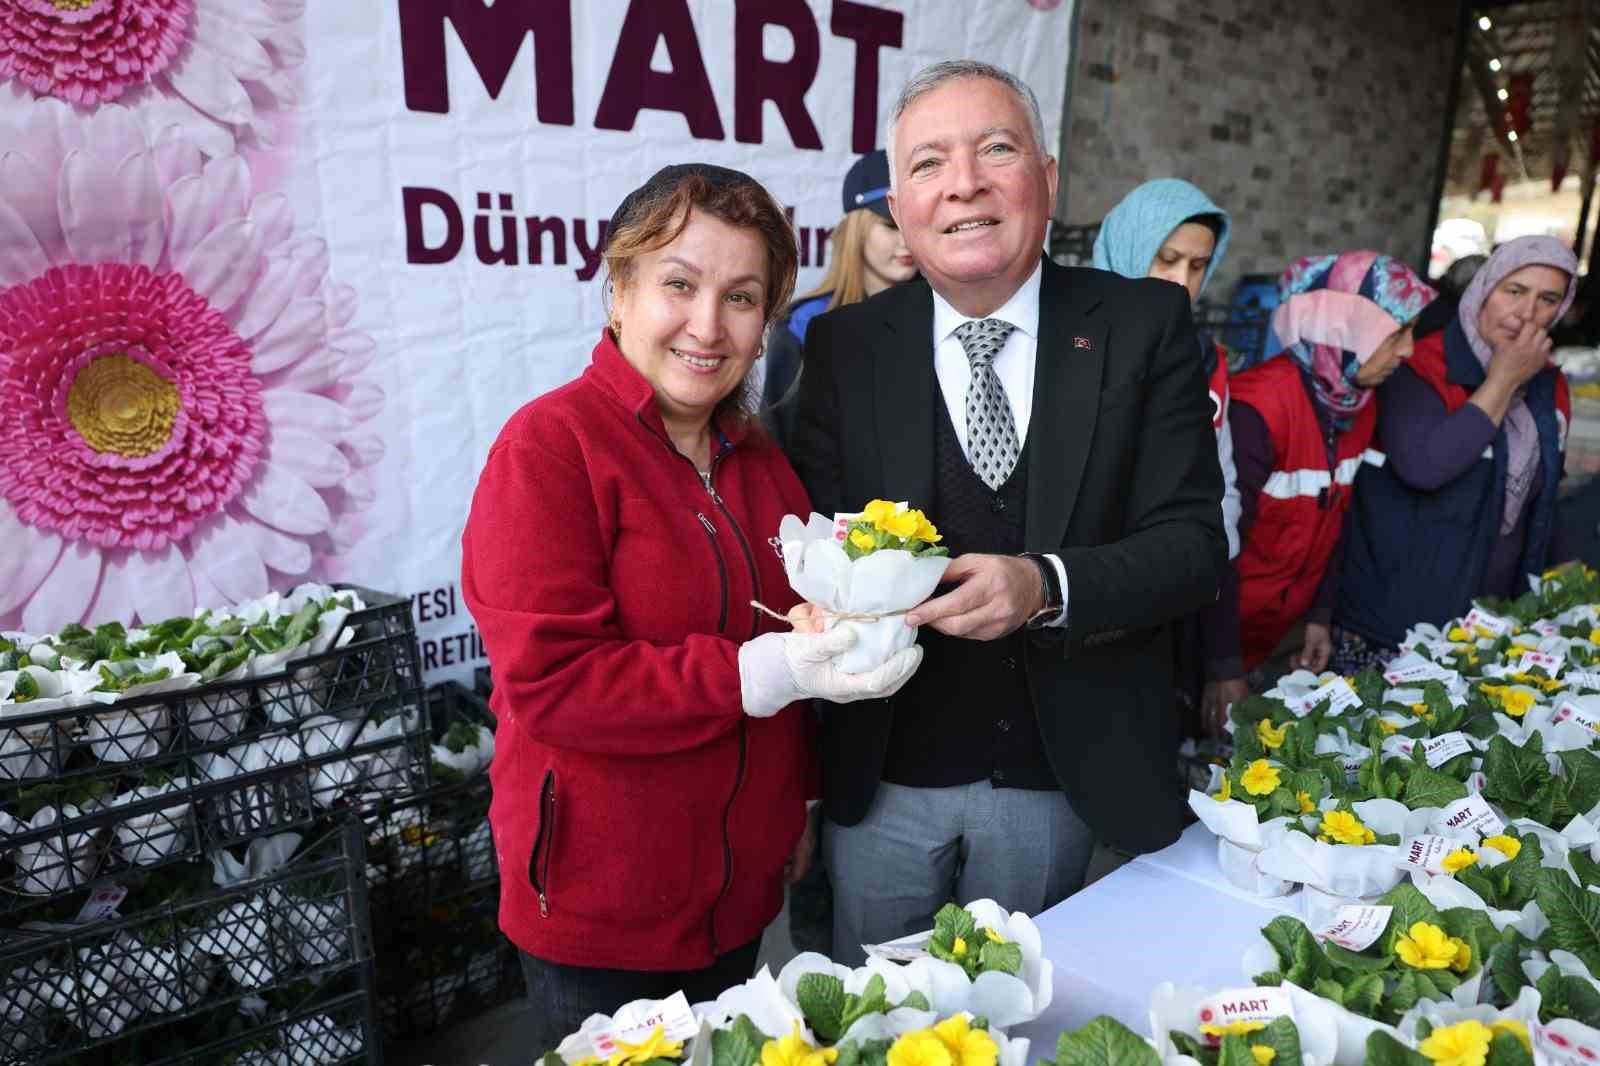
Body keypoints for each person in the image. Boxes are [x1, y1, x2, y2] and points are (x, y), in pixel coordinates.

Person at [461, 164, 923, 1048]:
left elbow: (798, 636)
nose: (708, 327)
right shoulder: (550, 449)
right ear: (620, 291)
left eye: (741, 297)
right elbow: (555, 684)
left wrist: (797, 801)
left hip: (737, 900)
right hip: (600, 915)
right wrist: (760, 671)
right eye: (679, 285)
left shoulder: (762, 465)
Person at [788, 60, 1227, 962]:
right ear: (899, 207)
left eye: (995, 149)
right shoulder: (845, 347)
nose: (964, 185)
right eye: (928, 163)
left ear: (1048, 179)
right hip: (883, 778)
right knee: (872, 1013)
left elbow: (1192, 547)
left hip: (1059, 778)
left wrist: (1046, 584)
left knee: (1027, 1005)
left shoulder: (1143, 325)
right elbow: (810, 542)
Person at [1198, 252, 1434, 725]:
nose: (1409, 351)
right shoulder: (1257, 410)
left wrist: (1319, 616)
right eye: (1396, 333)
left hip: (1272, 633)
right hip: (1212, 638)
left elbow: (1336, 518)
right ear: (1344, 331)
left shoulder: (1354, 403)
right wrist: (1221, 665)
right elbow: (1214, 547)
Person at [1334, 236, 1580, 672]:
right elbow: (1425, 467)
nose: (1526, 313)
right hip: (1390, 621)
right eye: (1514, 291)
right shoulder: (1418, 365)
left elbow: (1542, 490)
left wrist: (1563, 577)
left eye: (1547, 300)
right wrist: (1503, 380)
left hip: (1489, 620)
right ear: (1484, 289)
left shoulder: (1549, 384)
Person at [1092, 179, 1242, 560]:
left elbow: (1220, 479)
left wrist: (1207, 554)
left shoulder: (1207, 360)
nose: (1182, 282)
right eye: (1167, 258)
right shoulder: (1072, 342)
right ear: (1130, 246)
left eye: (1198, 266)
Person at [762, 150, 917, 447]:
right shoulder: (806, 322)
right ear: (856, 231)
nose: (907, 241)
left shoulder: (946, 314)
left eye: (915, 225)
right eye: (891, 225)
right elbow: (779, 439)